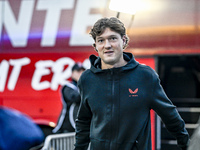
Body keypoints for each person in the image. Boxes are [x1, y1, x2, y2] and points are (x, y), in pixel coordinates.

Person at [74, 17, 190, 150]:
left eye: (113, 38)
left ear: (123, 41)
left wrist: (186, 144)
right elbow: (83, 121)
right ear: (96, 46)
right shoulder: (87, 79)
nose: (107, 45)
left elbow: (169, 115)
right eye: (101, 40)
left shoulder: (145, 76)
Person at [52, 63, 85, 133]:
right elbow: (75, 98)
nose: (81, 73)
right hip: (66, 127)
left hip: (78, 127)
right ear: (72, 73)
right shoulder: (68, 87)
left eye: (83, 71)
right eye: (78, 71)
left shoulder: (83, 87)